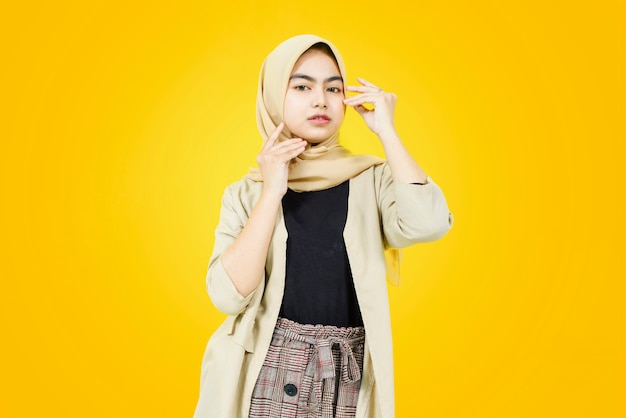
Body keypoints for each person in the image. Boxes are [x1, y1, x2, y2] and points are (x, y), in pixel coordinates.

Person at [193, 34, 453, 418]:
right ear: (272, 95)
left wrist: (388, 132)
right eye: (302, 86)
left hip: (348, 372)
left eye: (334, 88)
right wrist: (271, 193)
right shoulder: (246, 194)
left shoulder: (373, 179)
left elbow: (429, 224)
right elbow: (228, 297)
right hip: (266, 367)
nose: (321, 100)